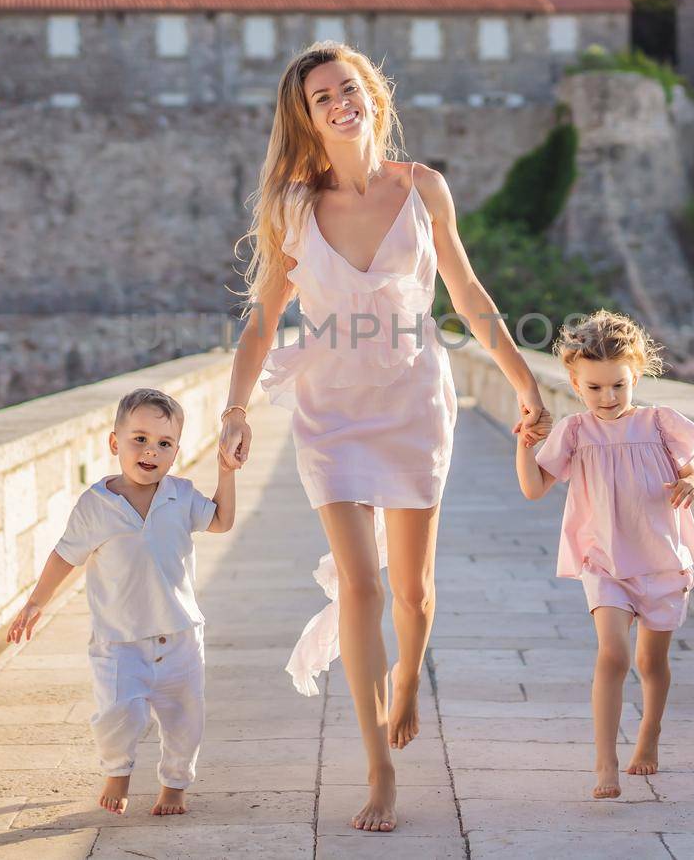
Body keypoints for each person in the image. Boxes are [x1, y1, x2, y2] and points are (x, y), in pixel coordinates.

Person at [217, 41, 550, 832]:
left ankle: (406, 682)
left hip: (412, 402)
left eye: (348, 87)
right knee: (362, 588)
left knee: (413, 593)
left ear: (371, 94)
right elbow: (263, 320)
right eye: (322, 97)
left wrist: (524, 380)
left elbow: (467, 295)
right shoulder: (293, 206)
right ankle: (378, 767)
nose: (340, 102)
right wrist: (235, 409)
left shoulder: (423, 188)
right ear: (306, 117)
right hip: (331, 411)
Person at [5, 387, 236, 817]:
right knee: (117, 714)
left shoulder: (182, 496)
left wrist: (227, 472)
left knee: (185, 720)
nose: (151, 451)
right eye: (140, 439)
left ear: (175, 452)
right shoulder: (96, 505)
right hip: (119, 639)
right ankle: (118, 771)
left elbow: (222, 520)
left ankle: (174, 785)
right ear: (116, 443)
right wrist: (35, 603)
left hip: (180, 634)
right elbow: (64, 555)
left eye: (164, 444)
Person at [513, 310, 694, 796]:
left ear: (636, 375)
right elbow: (535, 488)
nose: (608, 397)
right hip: (605, 563)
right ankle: (604, 761)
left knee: (652, 664)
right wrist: (524, 446)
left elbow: (693, 473)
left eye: (618, 385)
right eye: (595, 388)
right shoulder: (577, 432)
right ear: (577, 385)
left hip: (663, 561)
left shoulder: (660, 424)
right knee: (612, 655)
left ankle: (650, 734)